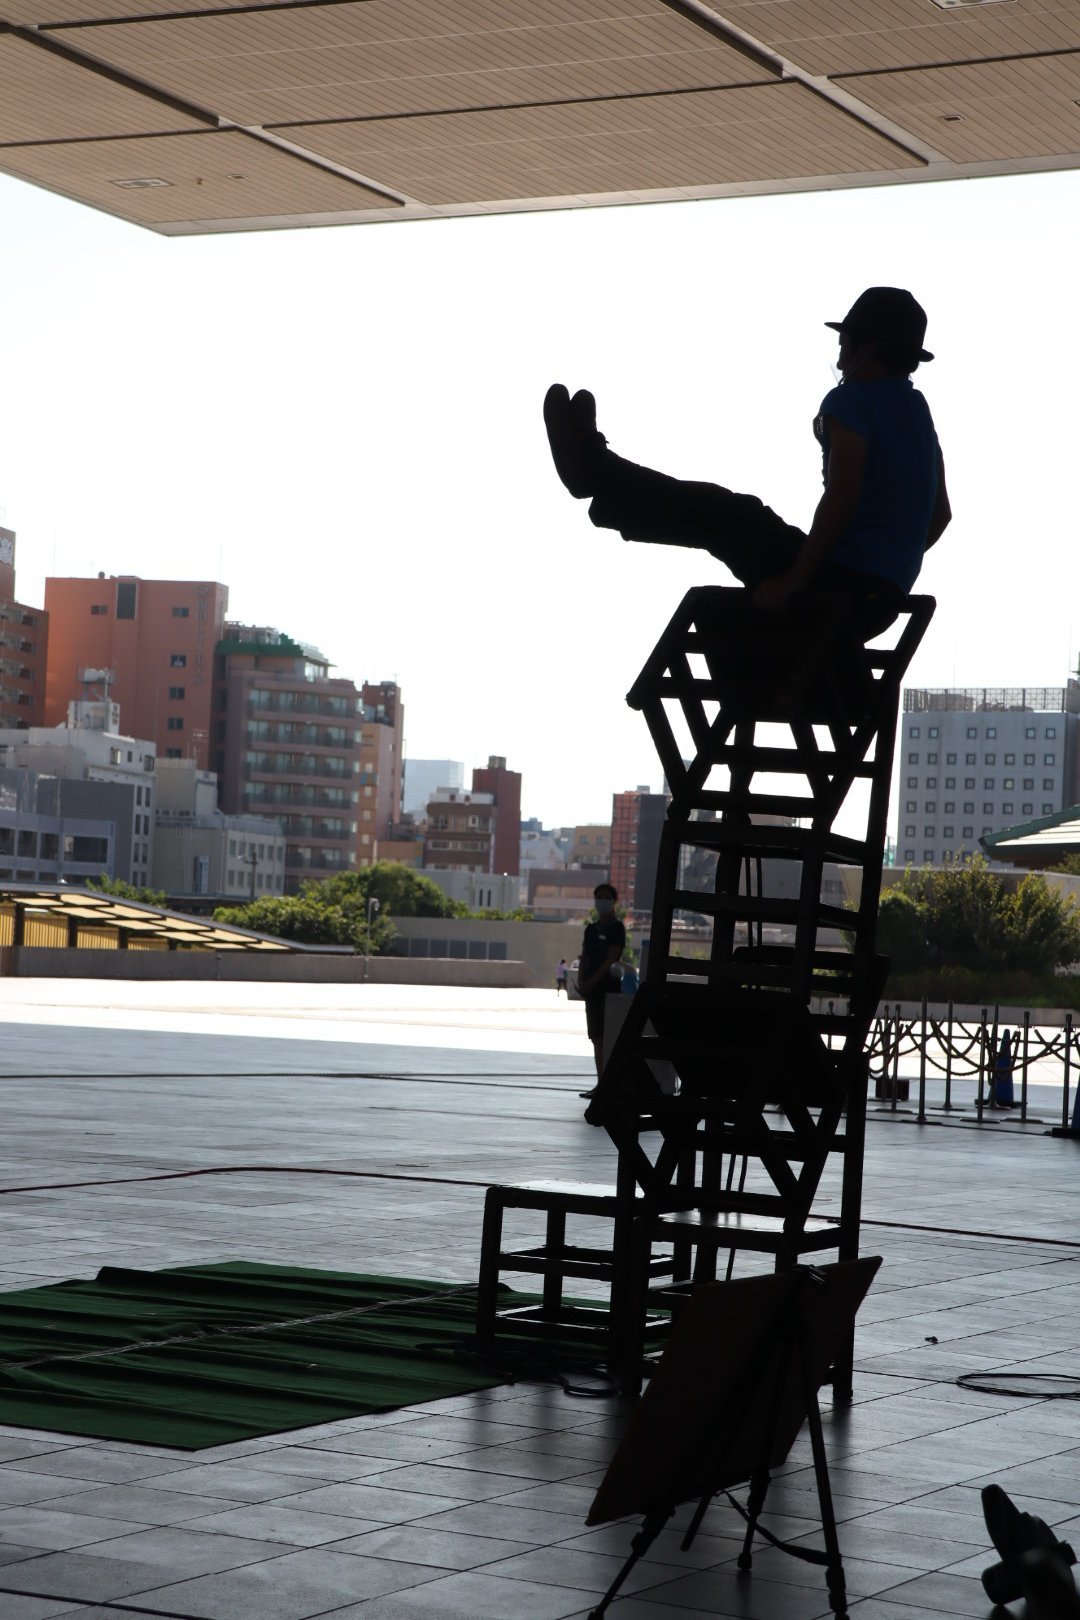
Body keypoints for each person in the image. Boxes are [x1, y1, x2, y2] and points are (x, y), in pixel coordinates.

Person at [544, 287, 951, 637]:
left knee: (726, 515)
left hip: (839, 588)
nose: (841, 356)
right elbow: (940, 516)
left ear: (868, 347)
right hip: (880, 605)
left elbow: (843, 494)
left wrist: (797, 580)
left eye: (846, 342)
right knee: (731, 515)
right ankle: (599, 472)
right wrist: (889, 566)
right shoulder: (919, 413)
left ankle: (594, 471)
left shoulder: (851, 401)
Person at [577, 883, 625, 1094]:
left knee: (608, 1037)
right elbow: (585, 956)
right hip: (591, 991)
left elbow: (611, 959)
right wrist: (581, 979)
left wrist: (593, 980)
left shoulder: (617, 928)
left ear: (613, 902)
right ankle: (601, 1083)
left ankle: (611, 1084)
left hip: (608, 989)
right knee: (596, 1038)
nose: (601, 901)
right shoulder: (591, 929)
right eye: (598, 897)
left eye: (606, 897)